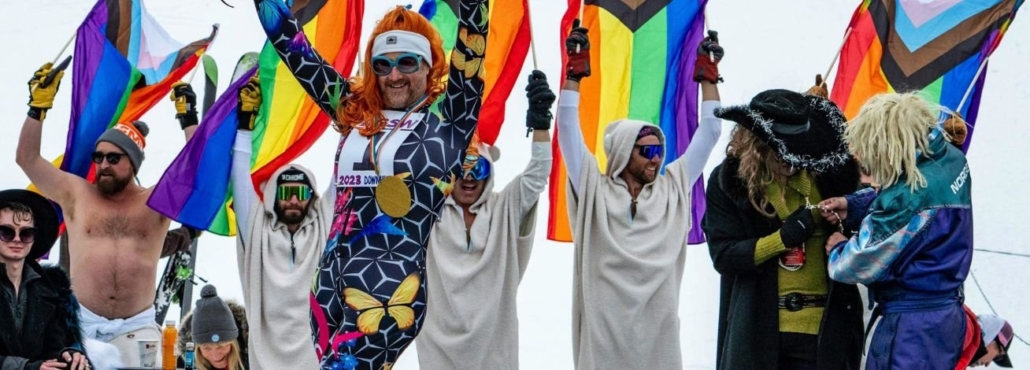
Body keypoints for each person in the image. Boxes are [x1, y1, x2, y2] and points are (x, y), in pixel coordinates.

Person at [251, 1, 489, 368]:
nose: (394, 75)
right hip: (327, 285)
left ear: (429, 66)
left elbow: (473, 38)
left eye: (407, 62)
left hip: (389, 288)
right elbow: (292, 46)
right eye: (383, 64)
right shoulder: (356, 113)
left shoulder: (449, 120)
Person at [557, 23, 724, 369]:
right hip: (604, 340)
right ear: (621, 153)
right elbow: (569, 129)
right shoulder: (593, 190)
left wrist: (709, 79)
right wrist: (573, 74)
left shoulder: (673, 187)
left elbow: (710, 131)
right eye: (645, 151)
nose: (656, 159)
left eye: (659, 150)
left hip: (657, 342)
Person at [16, 61, 201, 366]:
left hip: (138, 329)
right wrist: (37, 108)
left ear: (133, 163)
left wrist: (188, 118)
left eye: (113, 158)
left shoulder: (156, 201)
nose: (103, 164)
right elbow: (27, 158)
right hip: (81, 326)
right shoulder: (76, 194)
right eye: (98, 157)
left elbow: (197, 170)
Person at [702, 83, 865, 368]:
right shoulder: (728, 181)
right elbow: (724, 255)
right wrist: (782, 239)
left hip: (826, 335)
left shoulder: (831, 176)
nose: (792, 157)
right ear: (758, 144)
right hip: (758, 335)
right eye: (784, 149)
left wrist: (845, 228)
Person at [821, 92, 974, 369]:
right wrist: (854, 205)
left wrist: (839, 247)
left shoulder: (907, 198)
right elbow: (910, 199)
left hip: (909, 327)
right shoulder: (950, 159)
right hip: (946, 315)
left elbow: (854, 265)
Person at [416, 71, 555, 369]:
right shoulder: (428, 214)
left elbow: (539, 171)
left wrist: (541, 121)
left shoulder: (506, 208)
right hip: (438, 356)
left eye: (476, 169)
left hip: (496, 357)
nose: (467, 178)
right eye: (460, 169)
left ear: (490, 173)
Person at [229, 74, 330, 370]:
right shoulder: (257, 232)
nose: (295, 200)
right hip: (268, 361)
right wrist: (245, 124)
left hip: (318, 360)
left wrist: (357, 117)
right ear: (274, 195)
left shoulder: (323, 227)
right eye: (287, 192)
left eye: (302, 192)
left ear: (312, 196)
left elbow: (344, 176)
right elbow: (240, 178)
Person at [0, 189, 91, 370]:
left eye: (26, 233)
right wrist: (27, 367)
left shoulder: (53, 289)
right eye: (6, 232)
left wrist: (67, 354)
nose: (17, 239)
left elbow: (55, 343)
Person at [184, 285, 246, 370]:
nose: (215, 356)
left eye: (221, 346)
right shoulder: (184, 365)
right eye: (207, 348)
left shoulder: (259, 362)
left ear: (234, 343)